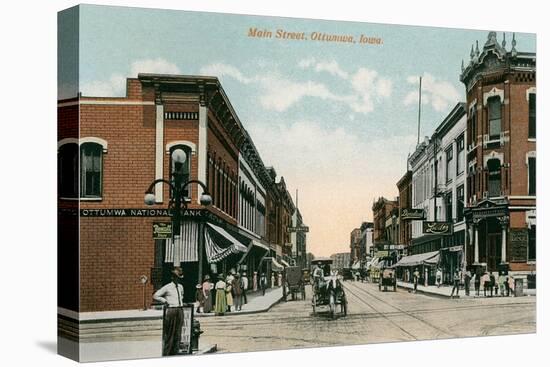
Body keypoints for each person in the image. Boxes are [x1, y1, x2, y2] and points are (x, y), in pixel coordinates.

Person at [153, 267, 185, 356]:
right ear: (172, 277)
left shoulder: (181, 287)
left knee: (178, 334)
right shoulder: (167, 287)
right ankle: (167, 354)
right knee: (170, 334)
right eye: (175, 277)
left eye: (178, 277)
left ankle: (175, 353)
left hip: (179, 310)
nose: (177, 279)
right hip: (172, 310)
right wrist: (164, 301)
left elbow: (182, 296)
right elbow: (155, 295)